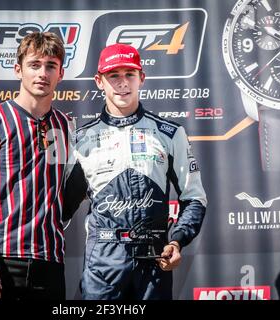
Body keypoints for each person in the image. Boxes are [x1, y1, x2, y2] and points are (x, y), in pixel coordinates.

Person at [63, 43, 207, 299]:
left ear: (142, 77)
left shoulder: (170, 133)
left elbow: (194, 197)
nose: (122, 83)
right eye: (113, 76)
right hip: (103, 260)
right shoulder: (81, 139)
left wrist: (176, 241)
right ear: (99, 81)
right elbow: (62, 209)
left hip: (154, 257)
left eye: (129, 74)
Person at [0, 32, 74, 300]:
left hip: (50, 261)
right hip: (1, 260)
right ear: (18, 70)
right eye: (34, 65)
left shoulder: (65, 126)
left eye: (50, 66)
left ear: (60, 74)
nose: (42, 73)